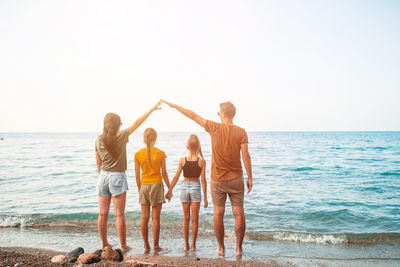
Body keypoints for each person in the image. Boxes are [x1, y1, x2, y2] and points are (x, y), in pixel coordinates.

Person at [162, 100, 252, 256]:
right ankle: (238, 248)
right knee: (239, 213)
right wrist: (250, 177)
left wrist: (176, 106)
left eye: (219, 113)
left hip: (218, 180)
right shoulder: (241, 131)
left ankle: (221, 248)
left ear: (223, 114)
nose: (218, 115)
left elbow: (192, 115)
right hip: (236, 178)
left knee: (218, 213)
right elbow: (246, 156)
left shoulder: (214, 127)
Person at [95, 100, 162, 253]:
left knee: (102, 213)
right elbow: (138, 123)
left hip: (103, 176)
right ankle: (123, 245)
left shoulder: (98, 139)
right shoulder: (122, 135)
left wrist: (103, 174)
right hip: (117, 176)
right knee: (119, 214)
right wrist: (151, 110)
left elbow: (98, 162)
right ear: (117, 125)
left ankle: (104, 243)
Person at [165, 134, 208, 251]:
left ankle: (186, 245)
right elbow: (203, 181)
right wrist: (205, 198)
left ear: (188, 146)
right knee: (195, 219)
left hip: (184, 188)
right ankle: (193, 245)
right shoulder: (202, 162)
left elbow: (175, 177)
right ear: (198, 146)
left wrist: (169, 191)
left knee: (186, 218)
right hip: (196, 188)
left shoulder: (182, 160)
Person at [135, 128, 171, 253]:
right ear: (155, 138)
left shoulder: (138, 154)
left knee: (144, 218)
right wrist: (170, 188)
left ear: (144, 139)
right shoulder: (161, 153)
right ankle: (156, 246)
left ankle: (146, 246)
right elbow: (164, 173)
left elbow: (137, 176)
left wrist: (140, 190)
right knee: (156, 218)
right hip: (156, 185)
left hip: (144, 186)